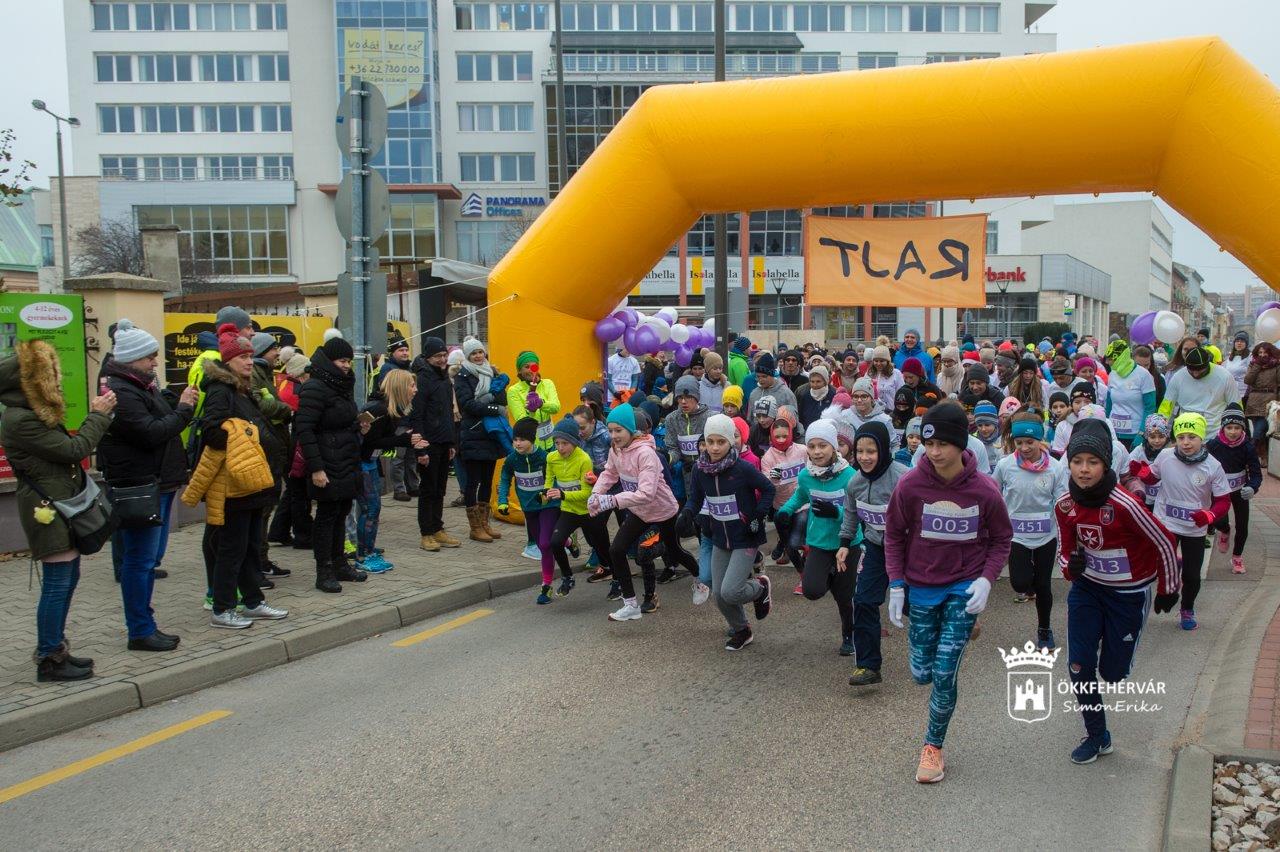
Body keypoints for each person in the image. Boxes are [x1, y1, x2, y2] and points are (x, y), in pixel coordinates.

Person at [884, 401, 1012, 784]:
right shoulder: (910, 484)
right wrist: (895, 584)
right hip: (922, 586)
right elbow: (893, 534)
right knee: (920, 673)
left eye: (942, 444)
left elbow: (1002, 538)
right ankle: (955, 635)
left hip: (963, 585)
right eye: (928, 444)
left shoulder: (984, 490)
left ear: (961, 444)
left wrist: (987, 580)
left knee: (943, 673)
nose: (934, 452)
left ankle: (933, 747)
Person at [1055, 417, 1180, 764]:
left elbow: (1165, 541)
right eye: (1077, 462)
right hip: (1088, 590)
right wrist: (1071, 567)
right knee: (1079, 665)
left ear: (1106, 464)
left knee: (1112, 672)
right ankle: (1097, 735)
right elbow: (1065, 551)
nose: (1083, 470)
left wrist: (1169, 587)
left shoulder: (1125, 504)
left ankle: (1116, 662)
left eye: (1092, 462)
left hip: (1128, 595)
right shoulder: (1065, 505)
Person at [3, 340, 116, 680]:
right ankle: (50, 659)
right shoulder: (20, 419)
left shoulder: (32, 414)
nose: (56, 377)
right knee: (57, 582)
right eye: (48, 373)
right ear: (29, 382)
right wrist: (98, 415)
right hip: (46, 509)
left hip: (61, 504)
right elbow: (74, 449)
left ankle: (57, 647)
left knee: (68, 578)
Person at [99, 320, 198, 651]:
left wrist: (174, 404)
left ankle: (145, 623)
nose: (155, 363)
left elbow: (156, 421)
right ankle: (140, 629)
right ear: (132, 358)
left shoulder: (139, 386)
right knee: (139, 561)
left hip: (151, 480)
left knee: (144, 559)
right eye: (150, 357)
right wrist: (183, 410)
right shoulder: (122, 392)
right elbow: (151, 432)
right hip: (136, 485)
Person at [189, 324, 288, 628]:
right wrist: (241, 434)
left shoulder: (240, 389)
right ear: (228, 361)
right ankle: (222, 608)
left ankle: (253, 601)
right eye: (243, 357)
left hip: (251, 482)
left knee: (247, 547)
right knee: (231, 549)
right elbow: (212, 432)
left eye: (250, 357)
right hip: (232, 484)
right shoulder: (221, 390)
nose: (249, 362)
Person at [591, 403, 701, 621]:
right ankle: (630, 604)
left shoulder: (646, 454)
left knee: (674, 551)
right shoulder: (616, 450)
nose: (614, 435)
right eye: (611, 430)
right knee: (617, 549)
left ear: (631, 430)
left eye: (618, 430)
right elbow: (609, 474)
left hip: (663, 510)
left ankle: (700, 580)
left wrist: (612, 500)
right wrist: (596, 494)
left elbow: (646, 493)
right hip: (639, 511)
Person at [1128, 412, 1230, 631]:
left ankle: (1187, 608)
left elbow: (1223, 500)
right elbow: (1153, 477)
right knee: (1156, 565)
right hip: (1166, 522)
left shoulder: (1213, 466)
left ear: (1201, 438)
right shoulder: (1165, 456)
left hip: (1195, 528)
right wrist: (1142, 473)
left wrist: (1210, 515)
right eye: (1181, 436)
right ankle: (1170, 578)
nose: (1185, 442)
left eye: (1191, 437)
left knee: (1192, 576)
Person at [681, 413, 775, 649]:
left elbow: (768, 490)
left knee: (731, 591)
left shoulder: (742, 469)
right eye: (710, 441)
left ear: (731, 441)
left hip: (746, 537)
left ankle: (760, 587)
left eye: (720, 442)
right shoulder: (700, 471)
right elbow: (695, 498)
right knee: (719, 595)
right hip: (719, 537)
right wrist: (687, 514)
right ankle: (742, 630)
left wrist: (758, 515)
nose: (714, 447)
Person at [777, 419, 859, 656]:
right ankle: (831, 576)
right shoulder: (806, 476)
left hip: (847, 542)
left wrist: (838, 512)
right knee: (812, 590)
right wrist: (785, 511)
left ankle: (849, 634)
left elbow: (859, 512)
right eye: (811, 446)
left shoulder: (850, 476)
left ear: (834, 447)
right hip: (819, 542)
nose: (816, 451)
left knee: (845, 599)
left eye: (822, 445)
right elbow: (800, 497)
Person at [296, 334, 367, 593]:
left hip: (345, 459)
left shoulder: (341, 385)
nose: (346, 365)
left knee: (341, 513)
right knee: (326, 517)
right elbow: (304, 429)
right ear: (329, 360)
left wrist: (359, 425)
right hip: (326, 462)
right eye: (341, 360)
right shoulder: (315, 386)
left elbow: (342, 420)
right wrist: (316, 468)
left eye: (348, 360)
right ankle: (323, 570)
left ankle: (340, 563)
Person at [993, 413, 1069, 650]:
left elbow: (1062, 501)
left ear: (1040, 440)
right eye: (1019, 442)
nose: (1024, 447)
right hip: (1017, 535)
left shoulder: (1055, 469)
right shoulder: (1006, 466)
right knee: (1020, 583)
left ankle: (1044, 630)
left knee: (1044, 584)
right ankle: (1031, 582)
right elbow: (994, 493)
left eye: (1030, 442)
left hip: (1046, 535)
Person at [840, 421, 907, 686]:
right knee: (864, 601)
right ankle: (868, 665)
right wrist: (845, 543)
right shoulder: (855, 482)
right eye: (860, 451)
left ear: (883, 450)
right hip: (877, 548)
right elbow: (851, 514)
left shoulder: (902, 478)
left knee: (915, 604)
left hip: (908, 550)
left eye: (872, 451)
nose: (865, 457)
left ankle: (938, 646)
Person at [356, 368, 417, 573]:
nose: (415, 390)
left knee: (373, 508)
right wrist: (403, 440)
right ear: (400, 387)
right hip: (362, 463)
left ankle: (368, 549)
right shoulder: (379, 409)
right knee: (370, 508)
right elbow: (370, 442)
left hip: (370, 462)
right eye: (411, 385)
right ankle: (363, 554)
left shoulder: (391, 410)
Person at [498, 418, 562, 604]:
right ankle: (566, 540)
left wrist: (552, 493)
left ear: (532, 440)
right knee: (547, 540)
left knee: (544, 545)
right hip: (529, 508)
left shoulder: (543, 457)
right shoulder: (511, 460)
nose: (518, 443)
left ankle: (546, 586)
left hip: (548, 506)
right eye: (515, 439)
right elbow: (504, 478)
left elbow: (554, 478)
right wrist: (503, 501)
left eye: (522, 439)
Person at [454, 338, 509, 543]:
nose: (478, 356)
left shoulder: (491, 372)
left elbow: (502, 399)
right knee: (472, 481)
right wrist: (493, 406)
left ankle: (485, 523)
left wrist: (492, 399)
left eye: (480, 352)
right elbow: (467, 404)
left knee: (487, 480)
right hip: (473, 433)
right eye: (474, 353)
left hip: (491, 434)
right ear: (467, 356)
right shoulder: (463, 375)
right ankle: (475, 527)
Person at [410, 337, 460, 552]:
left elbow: (448, 412)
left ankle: (438, 527)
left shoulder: (444, 378)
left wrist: (451, 442)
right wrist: (421, 447)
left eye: (443, 355)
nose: (442, 359)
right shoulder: (422, 379)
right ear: (428, 357)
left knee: (440, 489)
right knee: (428, 489)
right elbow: (417, 415)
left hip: (443, 441)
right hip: (428, 443)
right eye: (438, 356)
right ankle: (426, 532)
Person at [249, 331, 292, 581]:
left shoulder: (265, 373)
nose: (278, 353)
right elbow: (261, 406)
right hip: (265, 449)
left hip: (273, 447)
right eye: (273, 349)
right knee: (262, 511)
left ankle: (262, 560)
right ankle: (257, 563)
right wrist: (286, 409)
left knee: (266, 510)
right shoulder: (255, 374)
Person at [1207, 403, 1261, 575]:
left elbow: (1256, 473)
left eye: (1237, 428)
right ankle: (1225, 530)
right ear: (1223, 427)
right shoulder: (1213, 445)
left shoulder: (1248, 446)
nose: (1233, 432)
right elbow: (1203, 466)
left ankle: (1237, 557)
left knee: (1243, 526)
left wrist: (1252, 488)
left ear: (1242, 428)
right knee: (1217, 520)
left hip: (1240, 491)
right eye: (1229, 427)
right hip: (1219, 491)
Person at [267, 354, 312, 549]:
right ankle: (302, 535)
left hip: (286, 446)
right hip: (292, 447)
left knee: (293, 491)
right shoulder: (295, 390)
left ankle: (279, 530)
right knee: (298, 493)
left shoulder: (284, 384)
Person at [376, 337, 419, 501]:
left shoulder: (409, 368)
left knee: (411, 456)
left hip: (410, 417)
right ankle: (399, 489)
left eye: (406, 350)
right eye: (401, 350)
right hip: (399, 420)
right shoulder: (388, 369)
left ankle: (413, 486)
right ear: (392, 353)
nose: (405, 353)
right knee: (399, 457)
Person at [1163, 345, 1241, 434]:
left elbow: (1236, 405)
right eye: (1191, 371)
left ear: (1207, 364)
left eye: (1200, 371)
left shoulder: (1225, 376)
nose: (1195, 374)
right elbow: (1167, 406)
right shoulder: (1178, 377)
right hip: (1186, 432)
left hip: (1214, 433)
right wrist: (1161, 426)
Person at [1101, 340, 1155, 449]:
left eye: (1111, 359)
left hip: (1134, 433)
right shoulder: (1112, 374)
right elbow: (1109, 405)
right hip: (1114, 433)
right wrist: (1105, 427)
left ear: (1120, 357)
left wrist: (1142, 433)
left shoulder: (1144, 375)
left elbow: (1150, 408)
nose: (1107, 362)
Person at [663, 374, 710, 500]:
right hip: (687, 474)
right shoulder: (671, 419)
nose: (683, 402)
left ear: (697, 397)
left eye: (688, 397)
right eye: (680, 397)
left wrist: (701, 463)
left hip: (709, 472)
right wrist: (668, 458)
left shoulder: (710, 417)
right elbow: (674, 448)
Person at [507, 350, 562, 451]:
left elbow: (556, 408)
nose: (531, 370)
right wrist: (531, 411)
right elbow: (522, 421)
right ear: (519, 370)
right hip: (531, 447)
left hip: (552, 443)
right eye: (527, 367)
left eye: (534, 366)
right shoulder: (513, 391)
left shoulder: (548, 383)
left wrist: (541, 403)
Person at [1245, 341, 1280, 465]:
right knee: (1261, 430)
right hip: (1254, 400)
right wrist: (1257, 366)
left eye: (1265, 352)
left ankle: (1250, 454)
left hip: (1271, 401)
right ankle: (1263, 457)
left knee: (1261, 430)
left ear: (1270, 352)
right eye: (1260, 352)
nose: (1262, 355)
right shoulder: (1253, 364)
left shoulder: (1276, 365)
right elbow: (1248, 380)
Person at [865, 346, 904, 412]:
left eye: (882, 361)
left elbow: (901, 393)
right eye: (876, 361)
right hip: (873, 412)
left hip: (892, 412)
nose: (878, 363)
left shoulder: (896, 373)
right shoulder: (869, 374)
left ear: (887, 361)